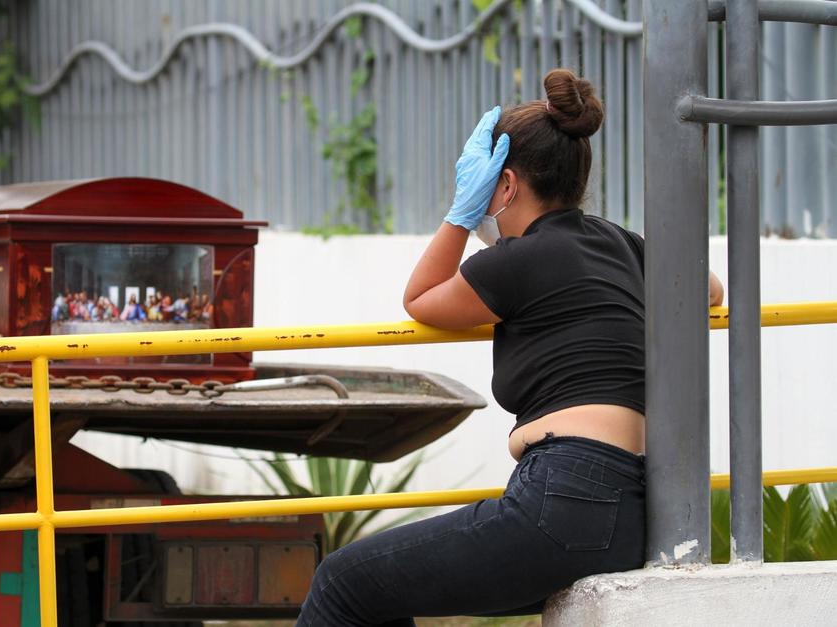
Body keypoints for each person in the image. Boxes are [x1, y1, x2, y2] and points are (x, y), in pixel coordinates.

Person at [296, 69, 725, 626]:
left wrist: (459, 216)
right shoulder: (621, 243)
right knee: (379, 593)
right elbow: (709, 289)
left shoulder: (515, 260)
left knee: (340, 583)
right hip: (630, 511)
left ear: (505, 184)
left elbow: (420, 299)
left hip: (562, 501)